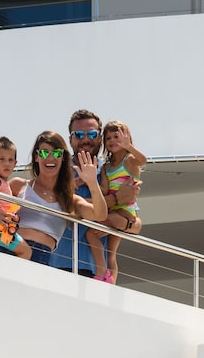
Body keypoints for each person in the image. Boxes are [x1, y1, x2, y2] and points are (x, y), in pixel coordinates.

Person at [50, 109, 142, 278]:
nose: (86, 139)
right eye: (79, 134)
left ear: (100, 138)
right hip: (60, 264)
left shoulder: (111, 170)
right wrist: (116, 199)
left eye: (92, 134)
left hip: (98, 273)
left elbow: (136, 225)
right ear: (70, 139)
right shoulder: (58, 170)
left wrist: (123, 222)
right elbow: (68, 206)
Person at [8, 130, 107, 266]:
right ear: (36, 157)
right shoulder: (18, 185)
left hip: (41, 257)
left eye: (56, 153)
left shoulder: (70, 200)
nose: (50, 158)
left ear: (63, 158)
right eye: (44, 153)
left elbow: (100, 214)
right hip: (9, 248)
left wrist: (92, 183)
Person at [86, 120, 146, 283]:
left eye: (116, 137)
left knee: (91, 234)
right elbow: (104, 190)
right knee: (110, 251)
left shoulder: (129, 160)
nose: (112, 141)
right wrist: (88, 181)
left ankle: (101, 272)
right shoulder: (106, 167)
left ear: (126, 138)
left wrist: (129, 146)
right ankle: (110, 280)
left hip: (125, 212)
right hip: (113, 211)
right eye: (108, 138)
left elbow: (143, 160)